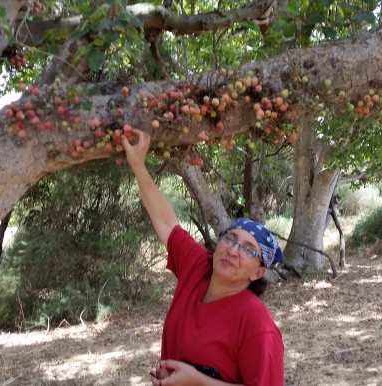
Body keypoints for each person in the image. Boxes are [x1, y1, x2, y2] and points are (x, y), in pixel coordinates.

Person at [121, 129, 285, 386]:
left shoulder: (255, 322)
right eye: (230, 239)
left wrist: (199, 381)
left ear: (258, 272)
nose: (233, 250)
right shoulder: (197, 266)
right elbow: (166, 221)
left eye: (248, 249)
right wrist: (137, 164)